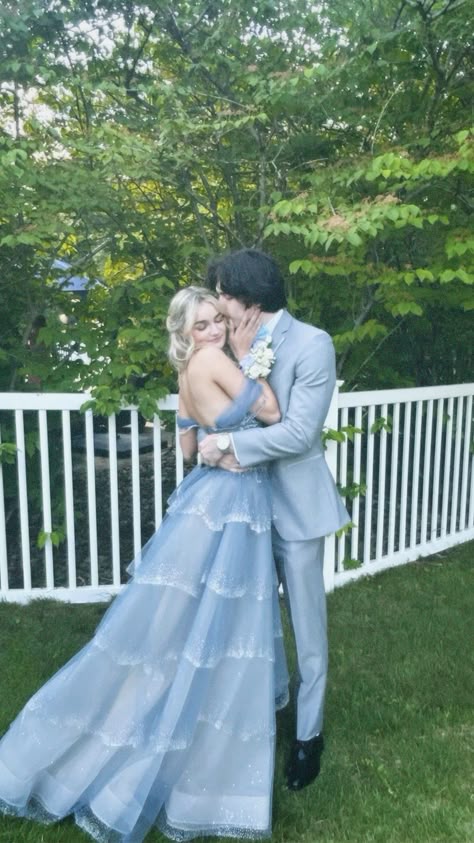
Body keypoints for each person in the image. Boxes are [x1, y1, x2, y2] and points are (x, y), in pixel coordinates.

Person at [0, 287, 289, 842]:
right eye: (202, 325)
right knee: (220, 625)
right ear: (185, 332)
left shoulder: (185, 372)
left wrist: (219, 442)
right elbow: (273, 411)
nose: (215, 330)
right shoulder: (215, 361)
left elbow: (188, 449)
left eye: (217, 320)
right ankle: (202, 761)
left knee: (181, 624)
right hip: (232, 504)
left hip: (208, 498)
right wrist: (248, 364)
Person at [200, 248, 350, 791]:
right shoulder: (222, 342)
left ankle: (309, 736)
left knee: (307, 629)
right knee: (246, 620)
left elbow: (299, 434)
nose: (218, 303)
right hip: (241, 508)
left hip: (296, 509)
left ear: (252, 298)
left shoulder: (312, 344)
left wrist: (229, 445)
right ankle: (249, 718)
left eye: (224, 293)